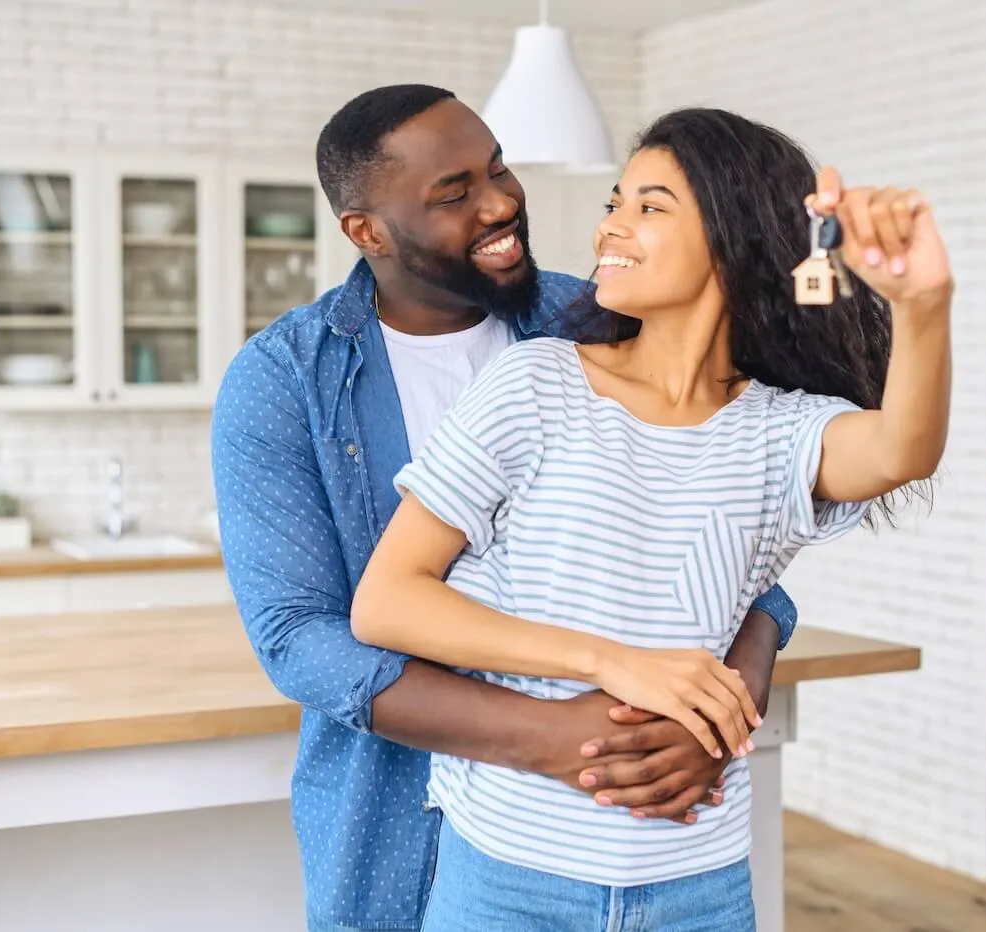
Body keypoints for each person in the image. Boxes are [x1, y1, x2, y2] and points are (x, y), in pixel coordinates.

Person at [209, 85, 802, 932]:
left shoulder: (599, 320)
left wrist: (723, 704)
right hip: (392, 804)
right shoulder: (282, 380)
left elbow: (745, 533)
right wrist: (550, 736)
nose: (500, 204)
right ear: (365, 230)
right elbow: (299, 636)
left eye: (498, 169)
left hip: (623, 821)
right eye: (454, 193)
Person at [350, 106, 952, 930]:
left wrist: (924, 306)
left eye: (649, 206)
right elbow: (387, 601)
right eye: (613, 204)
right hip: (509, 876)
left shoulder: (780, 429)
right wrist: (614, 661)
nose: (610, 230)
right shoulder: (536, 385)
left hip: (697, 886)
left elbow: (900, 451)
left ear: (734, 234)